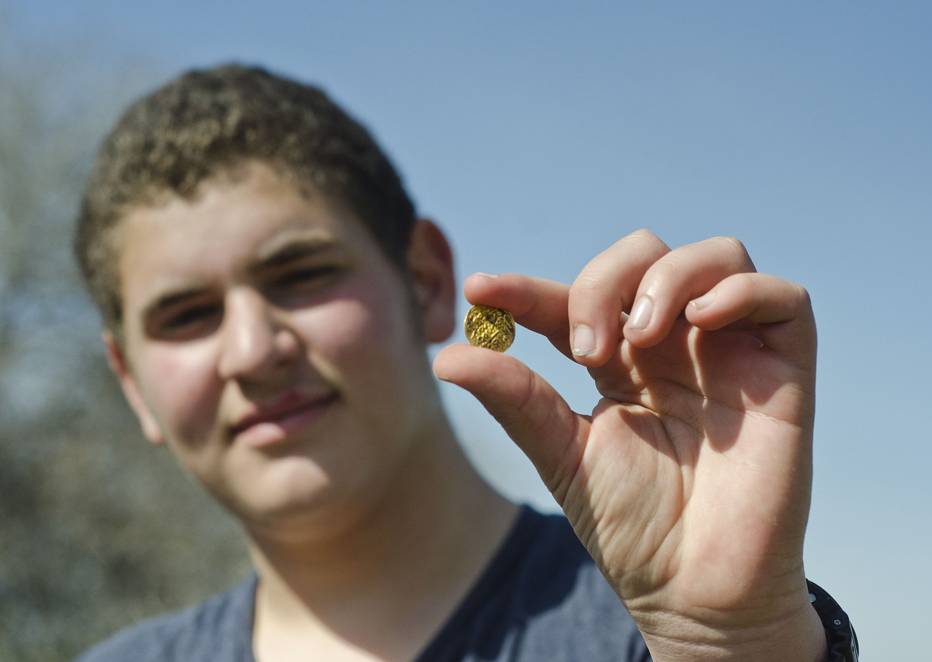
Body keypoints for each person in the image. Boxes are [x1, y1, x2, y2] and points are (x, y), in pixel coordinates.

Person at [72, 64, 857, 661]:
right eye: (185, 316)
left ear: (428, 281)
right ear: (132, 383)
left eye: (302, 275)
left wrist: (732, 640)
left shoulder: (651, 632)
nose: (252, 351)